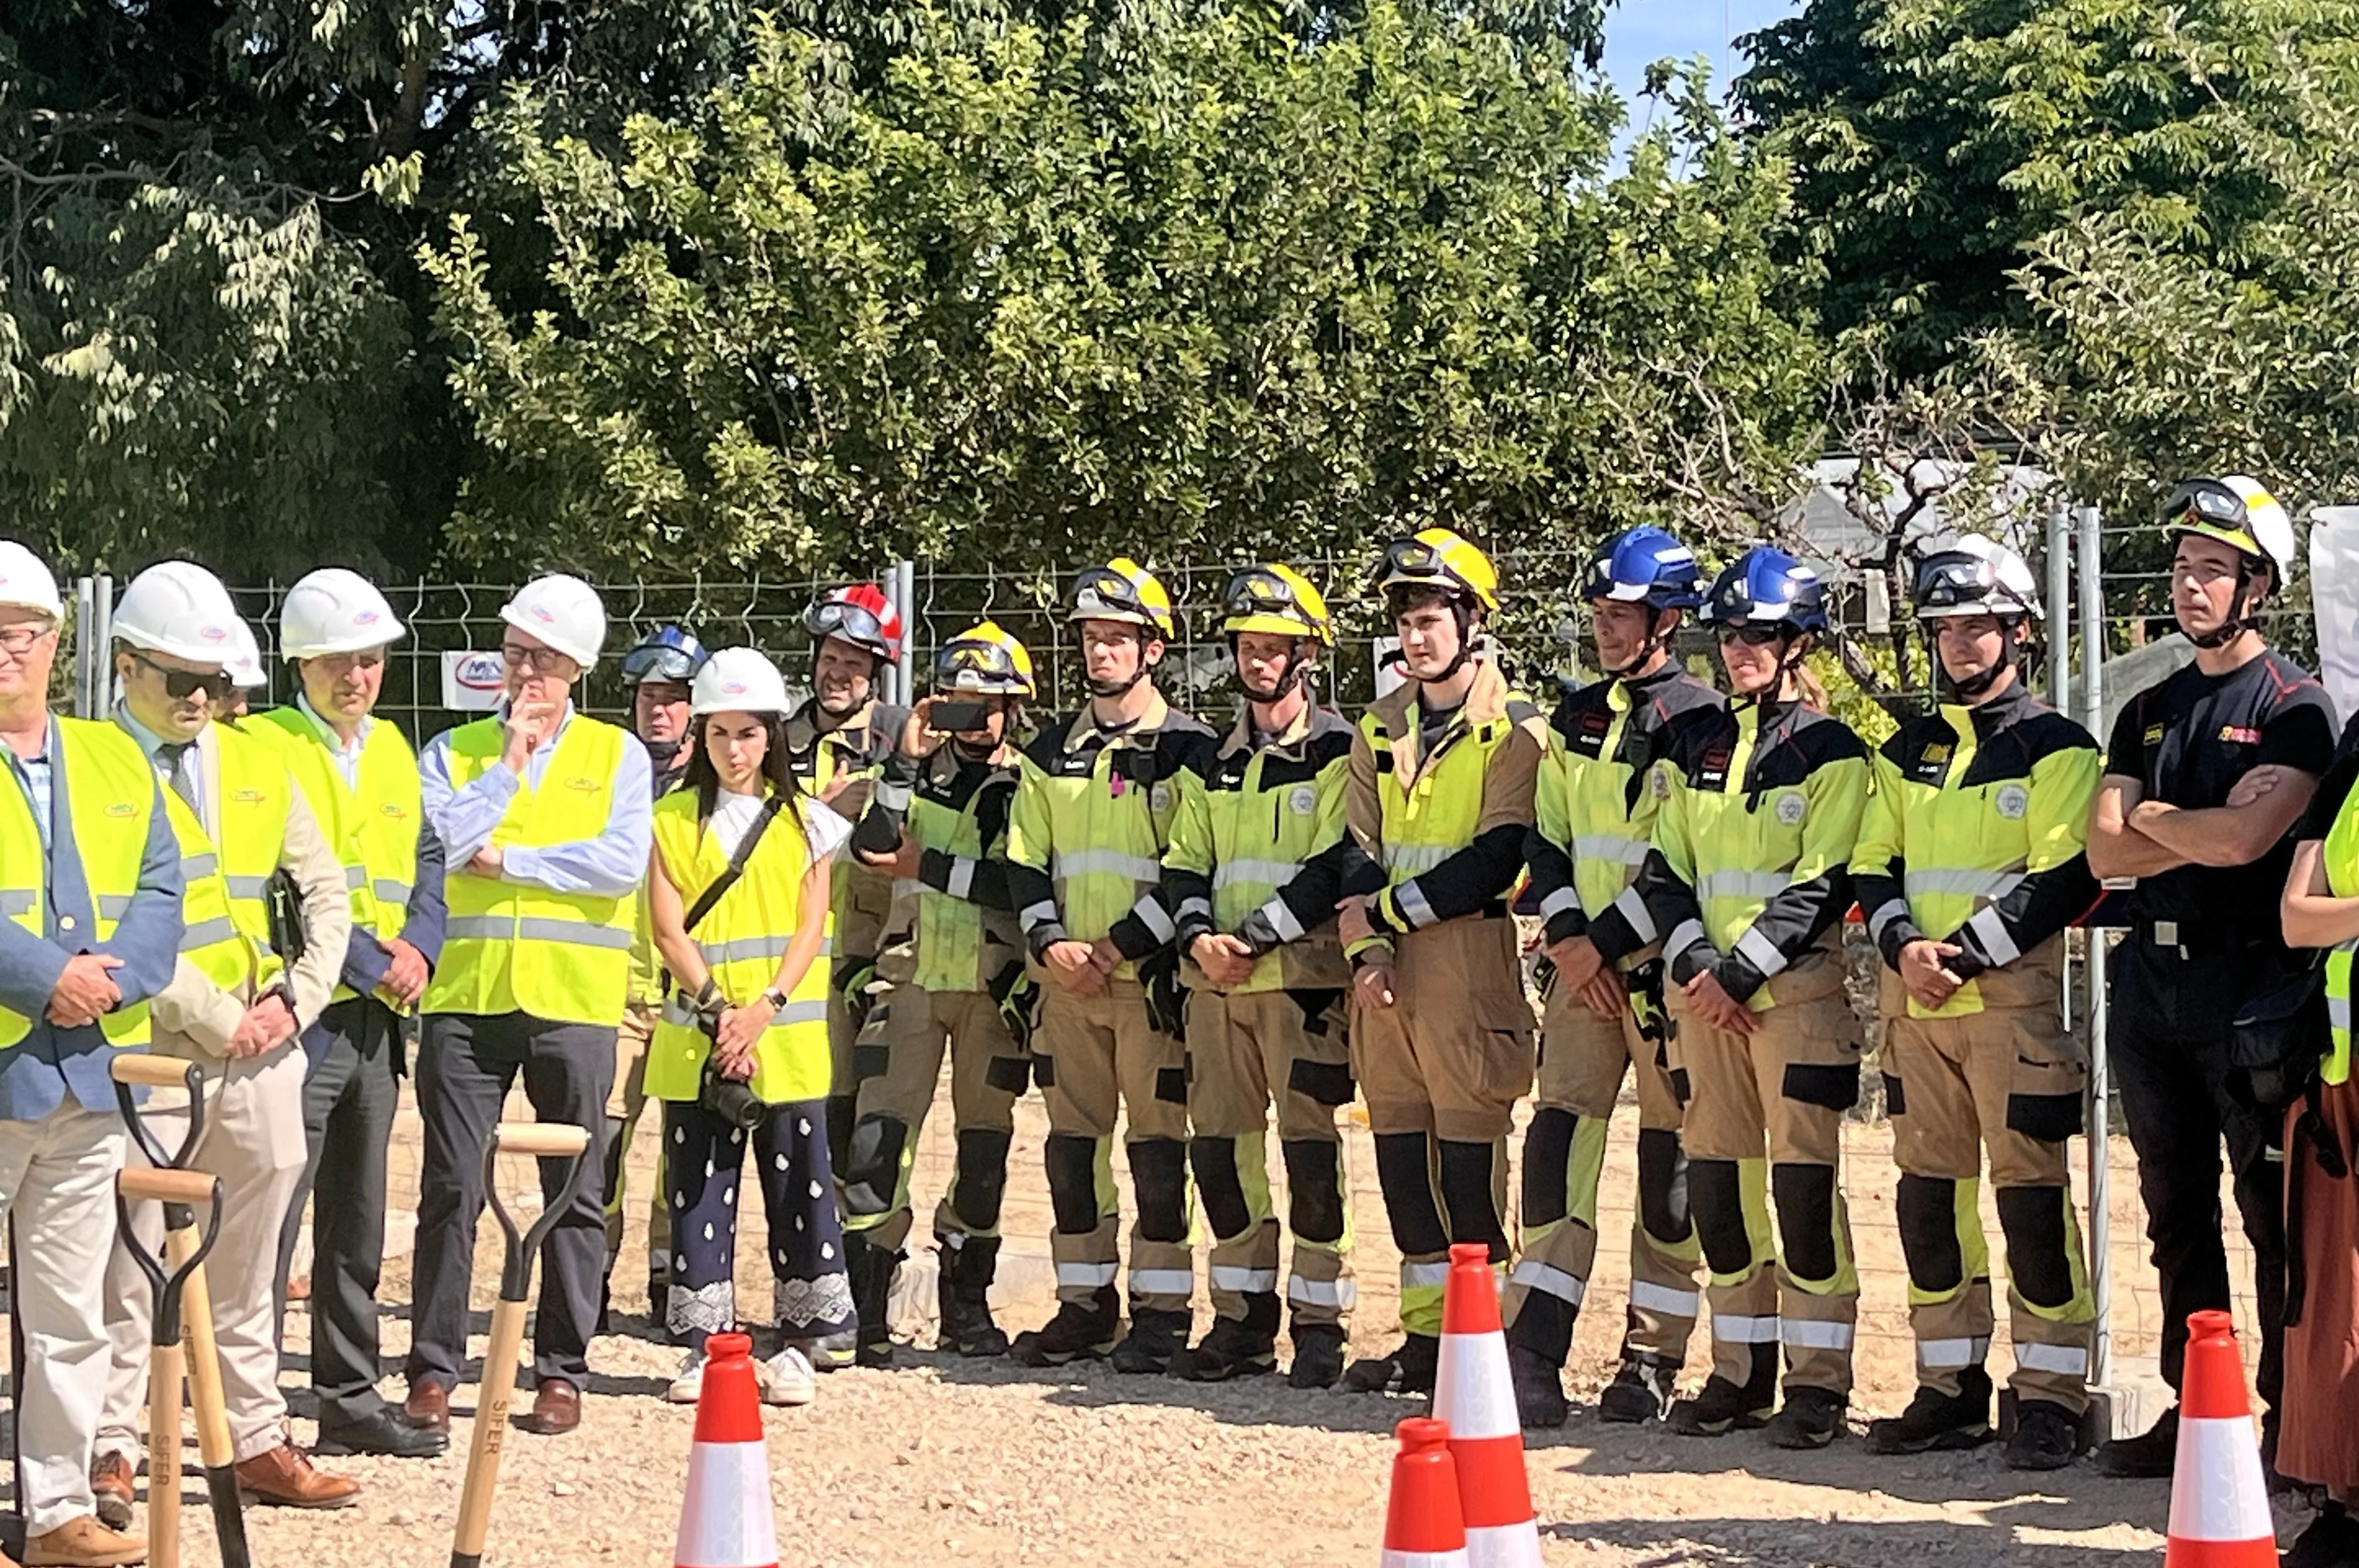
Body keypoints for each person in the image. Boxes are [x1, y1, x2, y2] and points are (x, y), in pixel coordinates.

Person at [2085, 476, 2336, 1481]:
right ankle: (2200, 1407)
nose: (2191, 587)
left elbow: (2246, 842)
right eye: (2184, 568)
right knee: (2171, 1213)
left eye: (2214, 571)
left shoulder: (2296, 708)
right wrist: (2166, 831)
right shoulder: (2146, 707)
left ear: (2258, 587)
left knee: (2270, 1220)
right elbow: (2101, 853)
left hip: (2251, 996)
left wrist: (2154, 823)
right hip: (2149, 990)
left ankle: (2283, 1421)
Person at [96, 560, 357, 1512]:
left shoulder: (260, 759)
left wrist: (298, 1001)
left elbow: (326, 889)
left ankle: (250, 1435)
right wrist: (217, 1016)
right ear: (126, 669)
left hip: (264, 1049)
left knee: (252, 1256)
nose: (203, 700)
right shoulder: (93, 766)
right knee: (129, 1260)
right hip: (149, 1050)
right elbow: (112, 915)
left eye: (217, 684)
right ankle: (113, 1445)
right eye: (181, 682)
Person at [1852, 538, 2101, 1471]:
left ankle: (2049, 1397)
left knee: (2032, 1201)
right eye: (1944, 629)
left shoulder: (2058, 747)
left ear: (2020, 632)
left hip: (2007, 1005)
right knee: (1928, 1203)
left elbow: (2062, 873)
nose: (1959, 645)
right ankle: (1948, 1384)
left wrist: (1957, 956)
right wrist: (1901, 948)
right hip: (1914, 1009)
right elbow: (1872, 865)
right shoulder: (1906, 749)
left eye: (1977, 627)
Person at [404, 574, 652, 1440]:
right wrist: (508, 766)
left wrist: (509, 863)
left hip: (573, 1003)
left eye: (541, 658)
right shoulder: (454, 750)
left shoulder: (620, 757)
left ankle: (561, 1368)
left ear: (576, 667)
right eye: (514, 655)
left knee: (575, 1193)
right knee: (450, 1189)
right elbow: (443, 845)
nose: (523, 673)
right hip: (465, 1002)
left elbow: (619, 865)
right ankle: (434, 1369)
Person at [1635, 546, 1870, 1450]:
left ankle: (1820, 1385)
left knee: (1804, 1193)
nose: (1740, 650)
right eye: (1731, 633)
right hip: (1707, 1000)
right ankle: (1740, 1370)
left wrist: (1735, 976)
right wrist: (1700, 969)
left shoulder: (1833, 752)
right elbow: (1666, 869)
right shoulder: (1700, 746)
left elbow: (1822, 881)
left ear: (1799, 642)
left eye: (1761, 634)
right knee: (1721, 1192)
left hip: (1794, 996)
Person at [1506, 526, 1720, 1428]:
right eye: (1599, 612)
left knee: (1670, 1166)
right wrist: (1565, 934)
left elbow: (1685, 859)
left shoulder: (1704, 720)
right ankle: (1533, 1348)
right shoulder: (1575, 716)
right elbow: (1547, 836)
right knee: (1558, 1148)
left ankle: (1650, 1358)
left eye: (1622, 613)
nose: (1605, 628)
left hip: (1656, 976)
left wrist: (1602, 944)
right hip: (1582, 975)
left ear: (1667, 621)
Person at [1334, 529, 1547, 1396]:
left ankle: (1481, 1346)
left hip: (1469, 964)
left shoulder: (1517, 728)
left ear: (1471, 620)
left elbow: (1497, 858)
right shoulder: (1377, 727)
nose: (1416, 639)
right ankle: (1425, 1344)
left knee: (1469, 1171)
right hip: (1385, 980)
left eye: (1430, 619)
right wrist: (1365, 948)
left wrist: (1383, 912)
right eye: (1406, 622)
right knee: (1400, 1170)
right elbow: (1355, 851)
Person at [0, 541, 179, 1568]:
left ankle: (55, 1510)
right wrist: (44, 976)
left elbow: (162, 889)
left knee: (69, 1309)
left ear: (56, 643)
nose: (4, 649)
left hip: (86, 1076)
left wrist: (121, 977)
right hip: (7, 1061)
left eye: (20, 629)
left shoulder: (113, 757)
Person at [250, 569, 448, 1460]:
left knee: (356, 1221)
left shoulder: (395, 751)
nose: (357, 677)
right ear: (300, 662)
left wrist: (424, 948)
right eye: (338, 662)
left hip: (375, 1025)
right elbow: (281, 881)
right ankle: (252, 1417)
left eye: (369, 661)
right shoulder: (264, 745)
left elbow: (427, 857)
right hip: (307, 1015)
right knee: (270, 1224)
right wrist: (378, 964)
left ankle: (348, 1398)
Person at [1160, 565, 1370, 1387]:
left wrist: (1244, 938)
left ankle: (1321, 1328)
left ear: (1305, 655)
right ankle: (1242, 1320)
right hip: (1216, 990)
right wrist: (1199, 939)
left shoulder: (1335, 750)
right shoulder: (1216, 759)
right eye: (1247, 645)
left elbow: (1331, 864)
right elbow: (1183, 862)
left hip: (1302, 986)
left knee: (1313, 1156)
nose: (1258, 660)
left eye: (1274, 646)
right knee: (1220, 1154)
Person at [1004, 560, 1216, 1372]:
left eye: (1117, 639)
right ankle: (1084, 1304)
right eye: (1091, 639)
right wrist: (1049, 941)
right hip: (1066, 986)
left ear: (1153, 648)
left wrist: (1117, 947)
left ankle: (1162, 1313)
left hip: (1150, 986)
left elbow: (1190, 864)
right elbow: (1025, 856)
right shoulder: (1048, 749)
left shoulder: (1192, 747)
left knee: (1160, 1149)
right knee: (1071, 1146)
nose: (1100, 653)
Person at [644, 647, 852, 1407]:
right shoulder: (667, 818)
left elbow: (810, 928)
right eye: (721, 732)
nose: (735, 750)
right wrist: (719, 1012)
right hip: (701, 1037)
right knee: (698, 1188)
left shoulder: (809, 822)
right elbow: (669, 930)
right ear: (701, 735)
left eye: (750, 733)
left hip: (784, 1038)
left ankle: (803, 1337)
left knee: (799, 1184)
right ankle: (705, 1341)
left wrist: (761, 1007)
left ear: (773, 736)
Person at [838, 623, 1039, 1366]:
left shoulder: (1031, 781)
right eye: (958, 701)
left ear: (1013, 706)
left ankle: (966, 1302)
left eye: (989, 703)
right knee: (876, 1141)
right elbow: (871, 846)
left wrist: (931, 866)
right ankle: (864, 1307)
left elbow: (1020, 883)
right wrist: (902, 762)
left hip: (993, 985)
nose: (974, 718)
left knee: (984, 1145)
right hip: (911, 979)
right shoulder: (906, 772)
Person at [787, 584, 911, 1229]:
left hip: (867, 964)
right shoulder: (777, 740)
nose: (837, 674)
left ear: (876, 674)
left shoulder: (900, 739)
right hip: (784, 964)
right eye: (829, 658)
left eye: (853, 664)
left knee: (863, 1122)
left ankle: (869, 1269)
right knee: (794, 1122)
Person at [2273, 723, 2359, 1566]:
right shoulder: (2357, 754)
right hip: (2342, 1076)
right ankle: (2341, 1500)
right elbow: (2299, 917)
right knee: (2333, 1295)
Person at [605, 624, 705, 1325]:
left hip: (685, 995)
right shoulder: (607, 772)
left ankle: (673, 1285)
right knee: (600, 1153)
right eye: (648, 696)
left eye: (674, 698)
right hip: (611, 991)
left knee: (683, 1152)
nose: (658, 710)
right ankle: (586, 1286)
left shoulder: (716, 782)